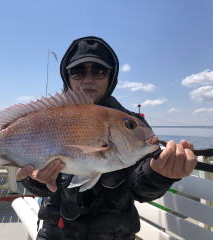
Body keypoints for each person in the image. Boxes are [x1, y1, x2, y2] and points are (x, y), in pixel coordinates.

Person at [17, 36, 197, 240]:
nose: (88, 79)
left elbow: (140, 190)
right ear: (67, 76)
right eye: (78, 71)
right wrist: (38, 181)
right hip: (56, 233)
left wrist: (159, 175)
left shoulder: (131, 124)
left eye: (99, 70)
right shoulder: (50, 116)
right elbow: (30, 178)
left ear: (111, 76)